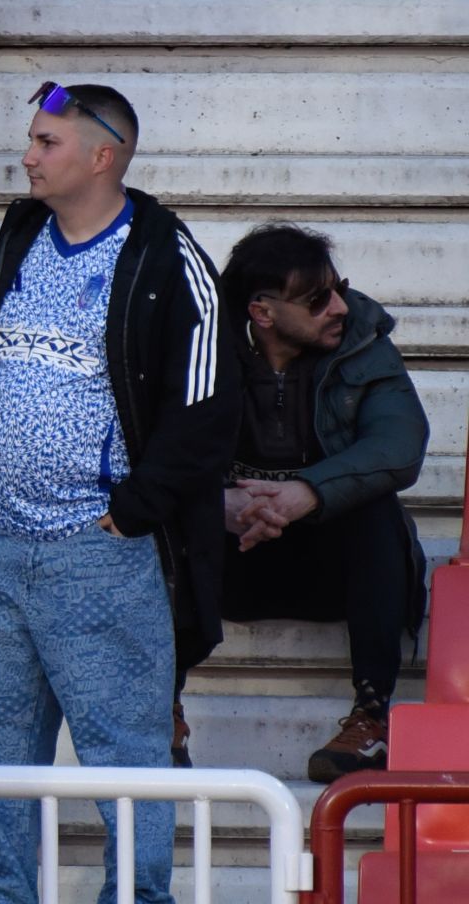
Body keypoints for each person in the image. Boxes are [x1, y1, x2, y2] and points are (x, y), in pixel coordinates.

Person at [0, 83, 239, 904]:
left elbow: (208, 412)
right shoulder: (18, 232)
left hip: (98, 552)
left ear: (104, 157)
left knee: (125, 759)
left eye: (46, 142)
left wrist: (131, 512)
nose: (27, 156)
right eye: (31, 140)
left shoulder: (169, 255)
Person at [178, 224, 429, 780]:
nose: (338, 306)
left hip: (331, 564)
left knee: (378, 510)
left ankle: (371, 719)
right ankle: (163, 712)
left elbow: (399, 446)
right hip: (229, 561)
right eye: (318, 299)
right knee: (161, 516)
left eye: (338, 287)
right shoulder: (202, 348)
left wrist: (305, 493)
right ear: (262, 313)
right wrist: (215, 504)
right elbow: (153, 444)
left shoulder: (364, 342)